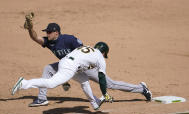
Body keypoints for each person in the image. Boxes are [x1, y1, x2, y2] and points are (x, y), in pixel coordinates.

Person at [23, 13, 152, 107]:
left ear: (56, 33)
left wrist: (69, 75)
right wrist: (30, 29)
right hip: (68, 67)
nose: (47, 34)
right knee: (48, 69)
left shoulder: (69, 39)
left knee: (111, 84)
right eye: (47, 32)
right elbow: (35, 38)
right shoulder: (49, 42)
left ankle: (141, 88)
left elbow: (82, 53)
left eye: (49, 32)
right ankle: (41, 98)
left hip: (86, 67)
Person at [11, 44, 113, 110]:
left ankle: (95, 103)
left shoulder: (87, 47)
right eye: (105, 55)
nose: (104, 56)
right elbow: (102, 78)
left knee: (84, 81)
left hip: (65, 62)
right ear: (103, 52)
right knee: (51, 83)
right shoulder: (100, 57)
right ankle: (24, 83)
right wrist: (105, 93)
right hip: (70, 67)